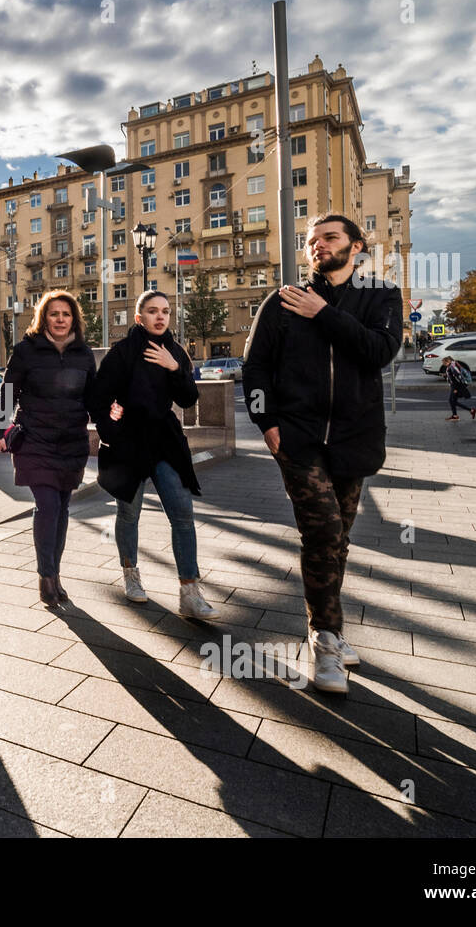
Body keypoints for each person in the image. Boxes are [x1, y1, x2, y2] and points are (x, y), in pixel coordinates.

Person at [242, 214, 401, 694]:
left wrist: (324, 313)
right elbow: (255, 369)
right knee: (323, 531)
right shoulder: (282, 301)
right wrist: (266, 423)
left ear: (355, 246)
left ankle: (329, 626)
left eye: (329, 238)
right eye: (311, 240)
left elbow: (380, 350)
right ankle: (324, 642)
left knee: (340, 540)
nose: (318, 246)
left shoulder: (380, 295)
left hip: (355, 438)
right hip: (299, 439)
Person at [89, 290, 219, 619]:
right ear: (139, 318)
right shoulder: (122, 353)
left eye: (165, 311)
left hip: (165, 442)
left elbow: (189, 398)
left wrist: (175, 367)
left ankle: (189, 592)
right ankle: (131, 575)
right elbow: (97, 398)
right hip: (128, 443)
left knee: (182, 514)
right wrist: (110, 431)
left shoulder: (175, 351)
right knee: (129, 514)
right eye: (152, 311)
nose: (160, 317)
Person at [0, 290, 115, 607]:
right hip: (35, 440)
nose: (60, 319)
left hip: (71, 441)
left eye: (66, 314)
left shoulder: (83, 354)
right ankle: (46, 577)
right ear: (43, 317)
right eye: (54, 313)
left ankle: (54, 573)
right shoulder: (26, 351)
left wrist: (110, 423)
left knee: (62, 509)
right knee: (47, 506)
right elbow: (8, 393)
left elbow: (92, 399)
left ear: (74, 319)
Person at [441, 356, 476, 421]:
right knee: (452, 401)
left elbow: (458, 377)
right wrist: (446, 375)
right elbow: (454, 375)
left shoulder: (452, 367)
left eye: (444, 362)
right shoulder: (452, 365)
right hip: (455, 386)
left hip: (455, 386)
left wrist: (455, 389)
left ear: (448, 361)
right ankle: (458, 415)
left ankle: (469, 411)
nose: (443, 364)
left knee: (452, 401)